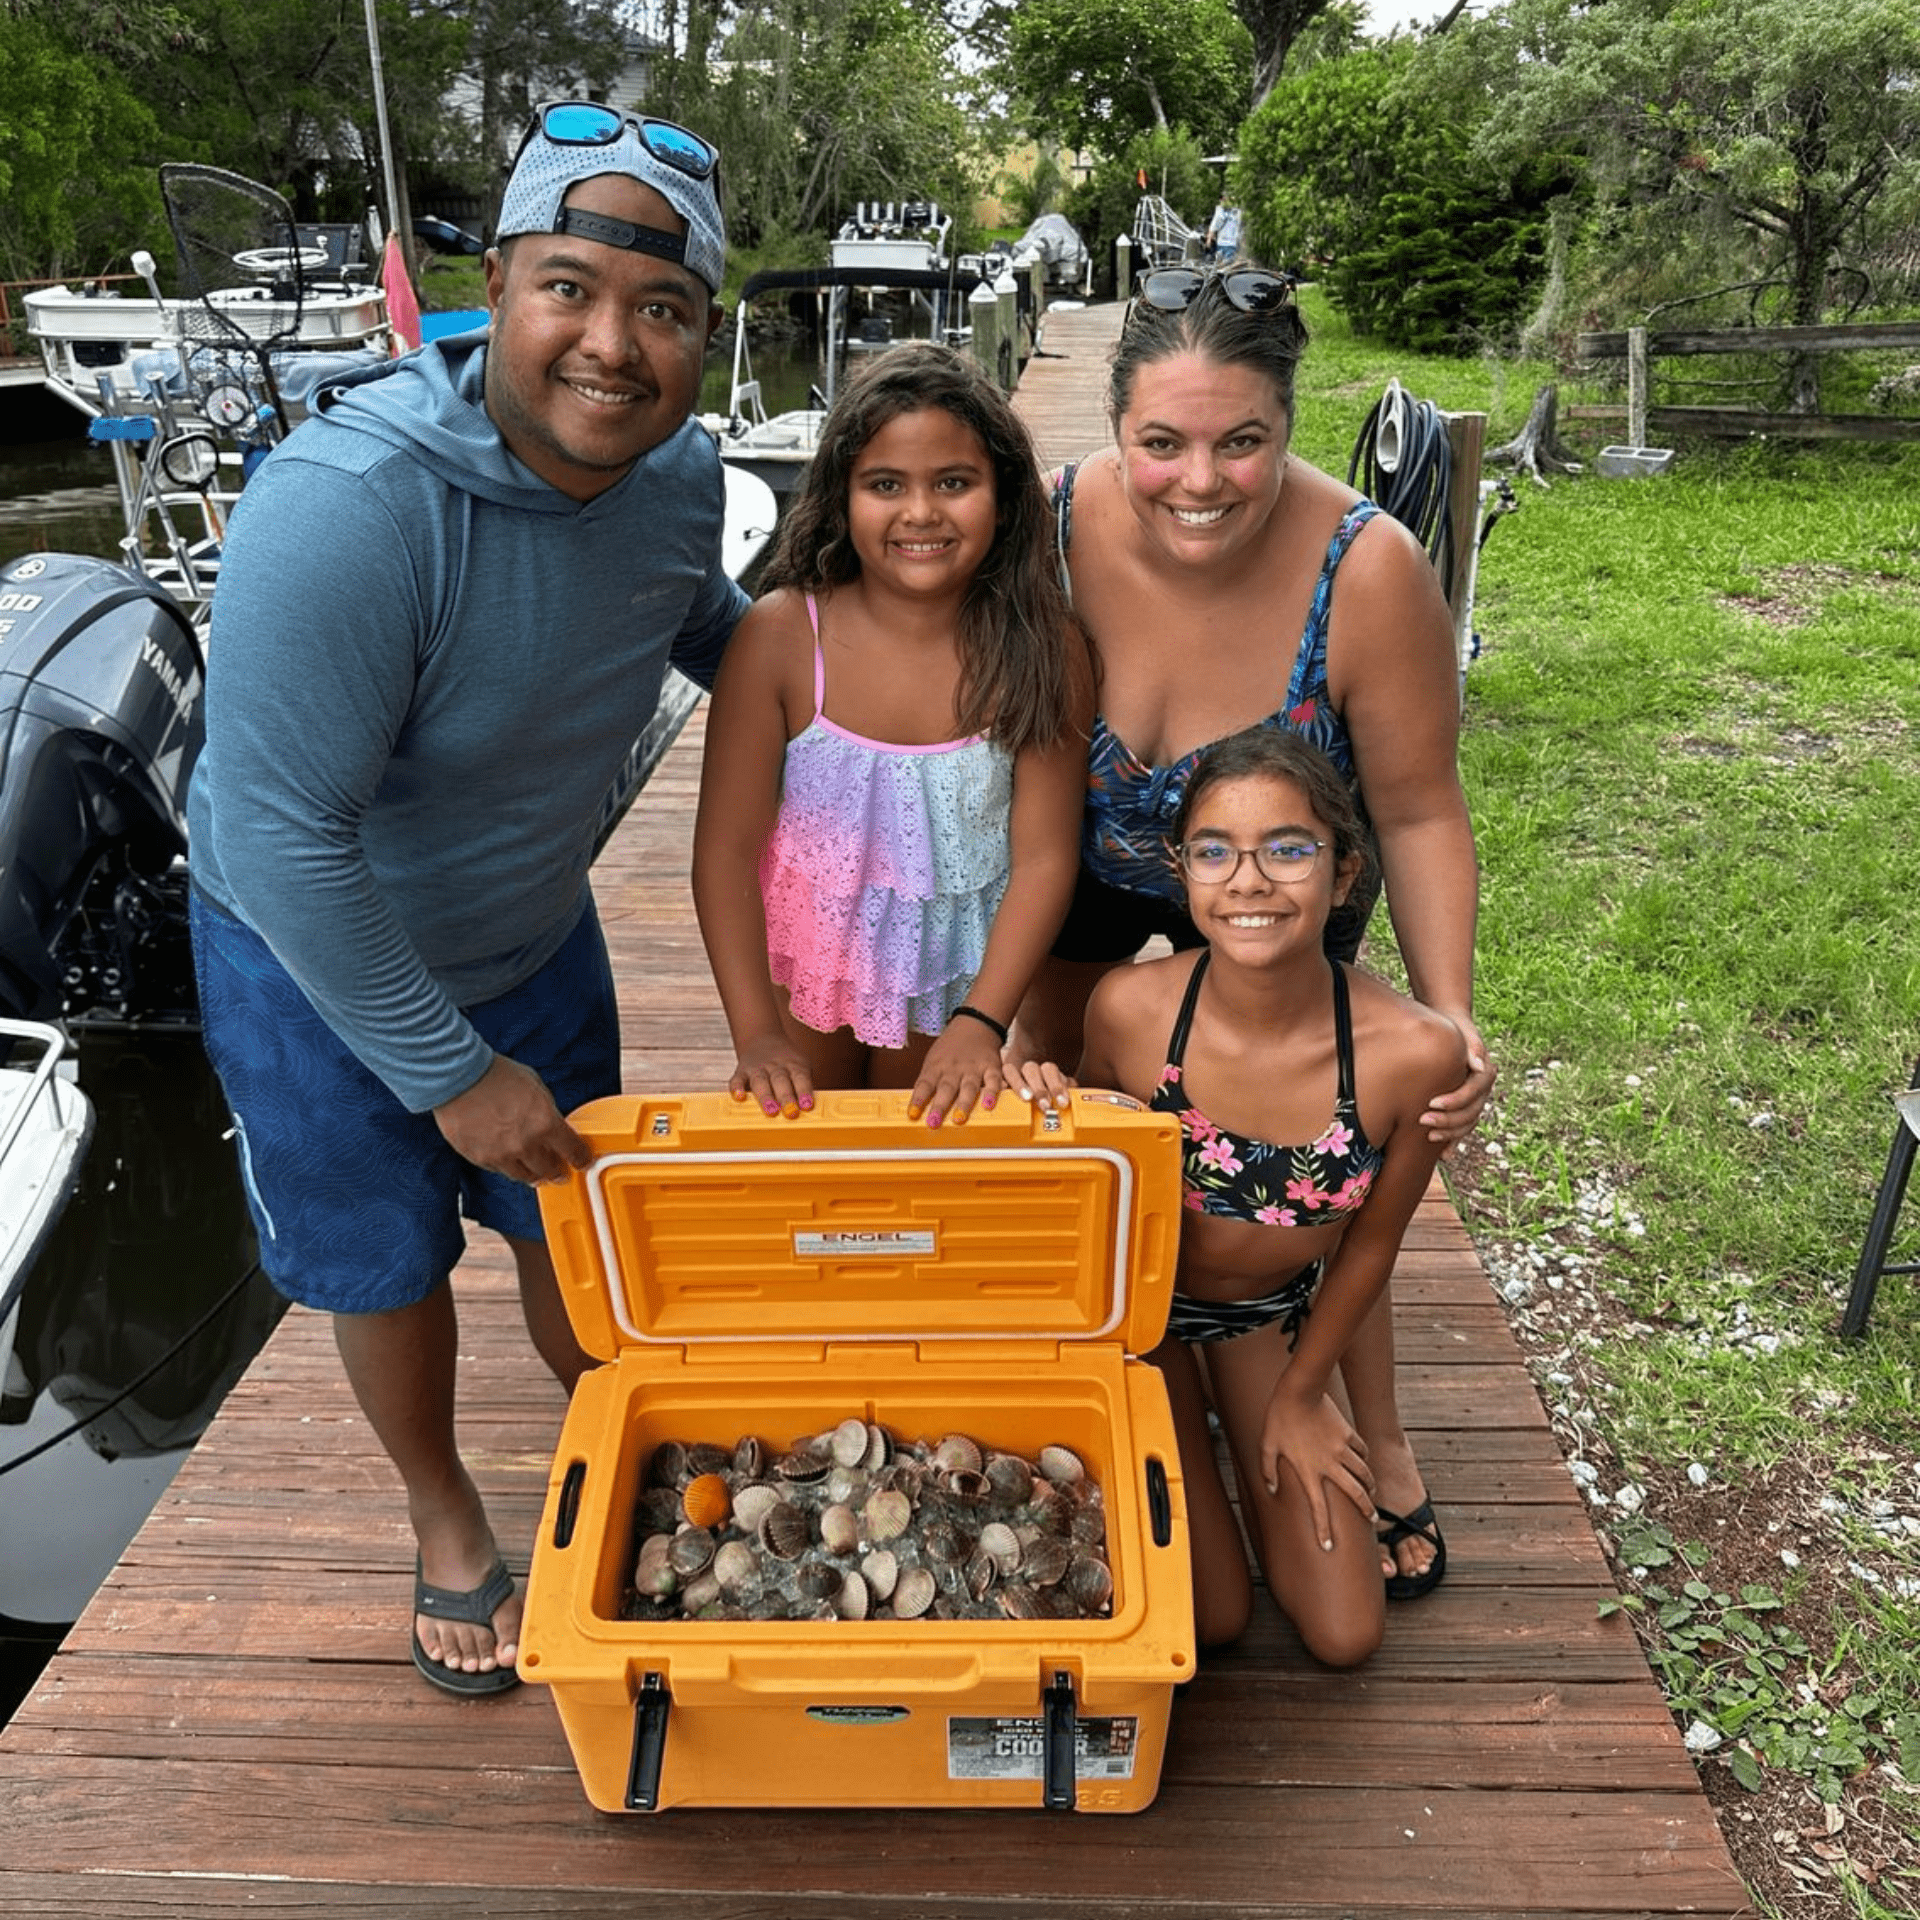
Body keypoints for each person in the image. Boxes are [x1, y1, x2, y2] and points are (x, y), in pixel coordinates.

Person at [187, 103, 744, 1695]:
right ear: (492, 284)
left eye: (663, 308)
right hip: (310, 957)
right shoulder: (349, 504)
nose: (613, 345)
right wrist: (448, 1075)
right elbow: (287, 834)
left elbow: (702, 622)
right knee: (385, 1263)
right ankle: (442, 1516)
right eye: (570, 287)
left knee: (568, 1225)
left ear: (703, 329)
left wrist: (891, 694)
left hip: (531, 927)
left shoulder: (680, 477)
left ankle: (609, 1423)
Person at [1016, 261, 1496, 1597]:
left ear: (1289, 424)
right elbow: (1027, 800)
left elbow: (1413, 808)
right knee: (1071, 1139)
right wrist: (993, 1009)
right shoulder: (1049, 535)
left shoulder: (1369, 567)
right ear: (1114, 432)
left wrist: (1448, 1016)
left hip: (1283, 892)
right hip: (1097, 886)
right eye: (1161, 444)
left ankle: (1375, 1429)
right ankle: (1130, 1361)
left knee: (1331, 1147)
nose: (1201, 482)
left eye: (1244, 443)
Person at [1025, 728, 1466, 1660]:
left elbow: (1372, 1247)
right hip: (1134, 1330)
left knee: (1346, 1632)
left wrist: (1306, 1400)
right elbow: (1084, 1159)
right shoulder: (1131, 1009)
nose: (1250, 881)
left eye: (1289, 849)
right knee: (1209, 1616)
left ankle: (1257, 1413)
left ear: (1346, 873)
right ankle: (1191, 1426)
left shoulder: (1409, 1054)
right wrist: (1047, 1103)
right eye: (1215, 851)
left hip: (1264, 1321)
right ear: (1182, 873)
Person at [692, 342, 1091, 1128]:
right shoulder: (781, 636)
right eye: (884, 484)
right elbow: (724, 851)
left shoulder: (1044, 646)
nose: (920, 513)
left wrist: (984, 1020)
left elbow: (1045, 857)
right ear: (841, 496)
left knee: (925, 1163)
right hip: (801, 973)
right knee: (812, 1159)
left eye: (954, 482)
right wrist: (756, 1034)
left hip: (955, 979)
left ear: (1003, 497)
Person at [1204, 201, 1242, 266]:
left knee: (1220, 264)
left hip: (1222, 243)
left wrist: (1208, 242)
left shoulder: (1221, 212)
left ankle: (1218, 269)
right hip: (1232, 244)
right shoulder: (1238, 213)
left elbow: (1213, 228)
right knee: (1228, 265)